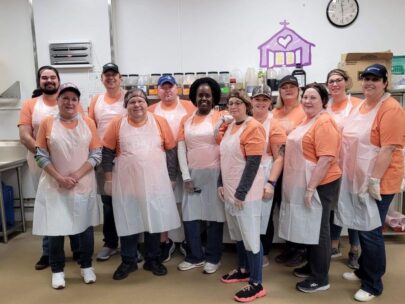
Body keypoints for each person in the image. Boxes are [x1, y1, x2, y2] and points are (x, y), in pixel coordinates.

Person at [336, 64, 405, 302]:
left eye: (375, 79)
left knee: (370, 231)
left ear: (385, 82)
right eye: (366, 79)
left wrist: (374, 180)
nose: (369, 83)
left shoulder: (391, 109)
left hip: (379, 180)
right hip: (359, 177)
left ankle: (373, 284)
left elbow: (388, 148)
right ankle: (364, 270)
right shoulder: (362, 105)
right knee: (362, 225)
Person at [102, 88, 181, 280]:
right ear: (126, 106)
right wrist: (108, 179)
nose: (137, 105)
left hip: (155, 182)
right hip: (127, 183)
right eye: (132, 102)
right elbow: (107, 152)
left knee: (153, 220)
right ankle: (128, 261)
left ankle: (152, 259)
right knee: (128, 220)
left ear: (147, 103)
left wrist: (171, 177)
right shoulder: (117, 124)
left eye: (140, 101)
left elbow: (171, 150)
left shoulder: (159, 122)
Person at [32, 83, 102, 289]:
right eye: (65, 98)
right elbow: (40, 155)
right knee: (55, 229)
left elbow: (96, 154)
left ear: (78, 102)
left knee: (85, 229)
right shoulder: (47, 123)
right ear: (58, 100)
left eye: (74, 98)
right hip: (55, 186)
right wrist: (59, 177)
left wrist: (77, 175)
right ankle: (57, 270)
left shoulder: (88, 122)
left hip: (83, 184)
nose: (69, 102)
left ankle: (87, 266)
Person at [279, 83, 341, 293]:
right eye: (305, 97)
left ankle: (320, 277)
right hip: (306, 181)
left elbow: (326, 159)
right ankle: (312, 266)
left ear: (323, 101)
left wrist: (310, 188)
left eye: (313, 98)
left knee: (319, 229)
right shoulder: (307, 120)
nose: (307, 101)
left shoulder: (324, 122)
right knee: (309, 226)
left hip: (320, 183)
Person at [18, 66, 80, 270]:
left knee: (72, 205)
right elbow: (25, 135)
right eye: (44, 78)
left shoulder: (70, 101)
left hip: (70, 164)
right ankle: (49, 252)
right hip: (40, 165)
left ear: (59, 80)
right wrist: (43, 155)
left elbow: (82, 129)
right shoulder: (30, 105)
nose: (49, 80)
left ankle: (78, 249)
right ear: (39, 81)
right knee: (47, 206)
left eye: (52, 77)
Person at [218, 89, 267, 302]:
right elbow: (224, 157)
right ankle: (243, 268)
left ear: (246, 105)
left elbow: (253, 164)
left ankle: (256, 283)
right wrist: (221, 183)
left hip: (246, 194)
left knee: (251, 236)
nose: (234, 106)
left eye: (238, 102)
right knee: (237, 233)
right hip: (230, 192)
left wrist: (241, 192)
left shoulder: (254, 127)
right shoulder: (230, 127)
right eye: (231, 103)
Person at [176, 77, 225, 274]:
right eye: (200, 95)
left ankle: (213, 258)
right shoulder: (186, 121)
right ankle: (194, 256)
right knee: (191, 217)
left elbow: (227, 146)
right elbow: (181, 149)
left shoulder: (221, 117)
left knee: (214, 218)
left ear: (213, 98)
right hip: (192, 175)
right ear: (195, 98)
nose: (204, 98)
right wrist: (186, 176)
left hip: (215, 174)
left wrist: (223, 178)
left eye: (207, 95)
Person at [148, 75, 196, 262]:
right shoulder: (151, 110)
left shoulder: (189, 107)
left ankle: (187, 240)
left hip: (187, 159)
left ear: (177, 88)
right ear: (158, 90)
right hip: (161, 161)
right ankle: (164, 241)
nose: (167, 90)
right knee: (162, 201)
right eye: (163, 87)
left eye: (170, 87)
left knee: (188, 201)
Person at [88, 63, 127, 261]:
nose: (110, 78)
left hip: (127, 156)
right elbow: (90, 128)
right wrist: (93, 156)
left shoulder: (128, 97)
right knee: (108, 202)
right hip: (104, 157)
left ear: (120, 78)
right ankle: (110, 243)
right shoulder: (96, 100)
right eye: (107, 75)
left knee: (130, 200)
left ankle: (130, 244)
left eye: (114, 75)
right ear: (102, 79)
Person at [325, 68, 362, 269]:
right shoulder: (325, 107)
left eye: (338, 80)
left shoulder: (357, 105)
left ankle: (355, 249)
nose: (335, 84)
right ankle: (333, 244)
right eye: (331, 81)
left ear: (346, 82)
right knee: (333, 205)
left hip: (352, 163)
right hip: (331, 163)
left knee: (352, 204)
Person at [271, 75, 307, 267]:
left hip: (296, 168)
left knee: (295, 208)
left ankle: (299, 249)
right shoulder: (275, 112)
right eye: (284, 87)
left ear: (298, 90)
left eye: (292, 86)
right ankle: (288, 247)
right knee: (280, 208)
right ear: (279, 91)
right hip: (276, 167)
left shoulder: (304, 110)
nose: (288, 90)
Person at [250, 86, 286, 268]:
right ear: (251, 101)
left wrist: (271, 183)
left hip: (265, 174)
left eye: (265, 99)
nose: (261, 103)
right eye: (258, 99)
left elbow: (280, 156)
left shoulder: (274, 125)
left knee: (264, 215)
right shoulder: (245, 121)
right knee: (249, 214)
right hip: (246, 174)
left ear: (270, 103)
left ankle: (263, 252)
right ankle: (249, 250)